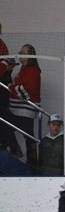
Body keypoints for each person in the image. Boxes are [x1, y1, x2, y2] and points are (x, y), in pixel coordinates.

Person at [7, 44, 41, 163]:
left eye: (23, 52)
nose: (20, 53)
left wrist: (11, 87)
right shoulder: (24, 69)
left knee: (28, 136)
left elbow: (26, 90)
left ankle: (33, 163)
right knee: (8, 127)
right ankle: (23, 154)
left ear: (30, 56)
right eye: (20, 51)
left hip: (25, 110)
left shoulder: (32, 70)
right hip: (18, 109)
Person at [0, 23, 18, 155]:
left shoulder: (2, 46)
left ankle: (7, 145)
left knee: (4, 118)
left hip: (2, 92)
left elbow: (2, 67)